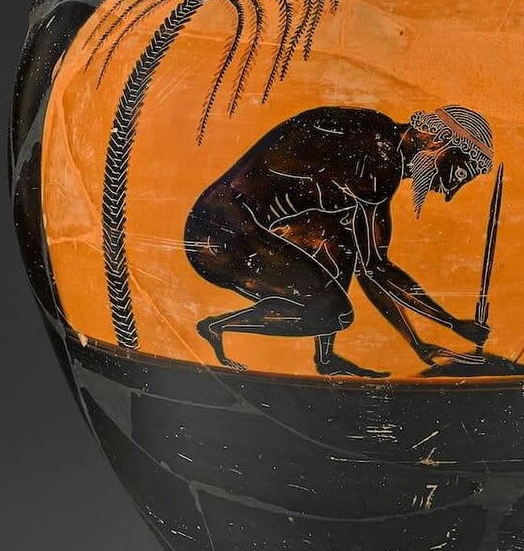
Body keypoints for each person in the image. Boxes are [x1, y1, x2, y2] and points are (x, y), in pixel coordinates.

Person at [185, 104, 493, 376]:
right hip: (220, 238)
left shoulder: (379, 140)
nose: (448, 192)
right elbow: (378, 269)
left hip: (236, 227)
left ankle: (326, 359)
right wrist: (452, 324)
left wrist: (417, 344)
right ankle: (217, 326)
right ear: (438, 141)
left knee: (341, 238)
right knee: (333, 312)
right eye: (457, 175)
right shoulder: (379, 161)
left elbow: (368, 269)